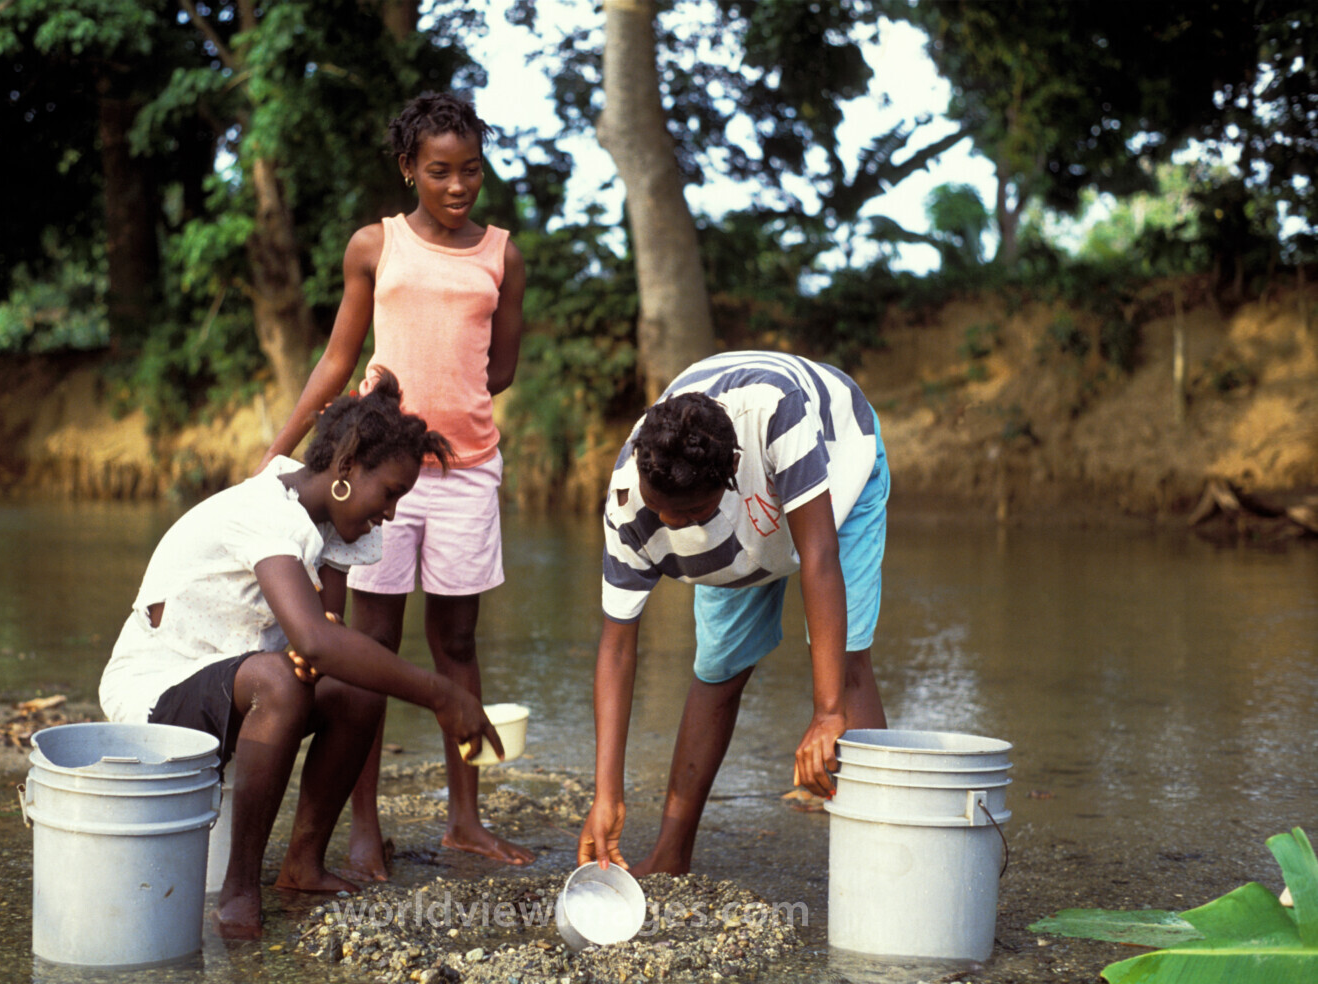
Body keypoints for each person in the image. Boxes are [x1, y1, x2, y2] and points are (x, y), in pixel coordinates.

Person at [100, 369, 504, 939]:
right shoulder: (266, 510)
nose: (391, 513)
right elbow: (313, 642)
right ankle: (239, 890)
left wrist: (321, 647)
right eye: (390, 493)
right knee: (281, 683)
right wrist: (441, 693)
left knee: (358, 686)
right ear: (346, 469)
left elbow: (323, 639)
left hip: (233, 680)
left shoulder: (334, 522)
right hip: (156, 692)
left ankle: (302, 866)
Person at [255, 91, 531, 877]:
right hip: (379, 474)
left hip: (466, 471)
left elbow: (499, 369)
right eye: (439, 171)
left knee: (457, 642)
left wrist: (449, 404)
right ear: (408, 168)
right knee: (370, 643)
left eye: (471, 170)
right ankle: (363, 828)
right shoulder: (375, 246)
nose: (458, 185)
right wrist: (277, 453)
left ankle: (465, 821)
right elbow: (338, 360)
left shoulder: (502, 256)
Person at [576, 350, 891, 876]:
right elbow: (616, 647)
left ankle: (885, 866)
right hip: (740, 519)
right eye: (660, 508)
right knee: (718, 667)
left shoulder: (778, 414)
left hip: (837, 465)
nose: (670, 524)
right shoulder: (629, 499)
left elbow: (818, 557)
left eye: (690, 512)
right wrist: (606, 795)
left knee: (847, 661)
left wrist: (826, 712)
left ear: (726, 483)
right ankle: (671, 855)